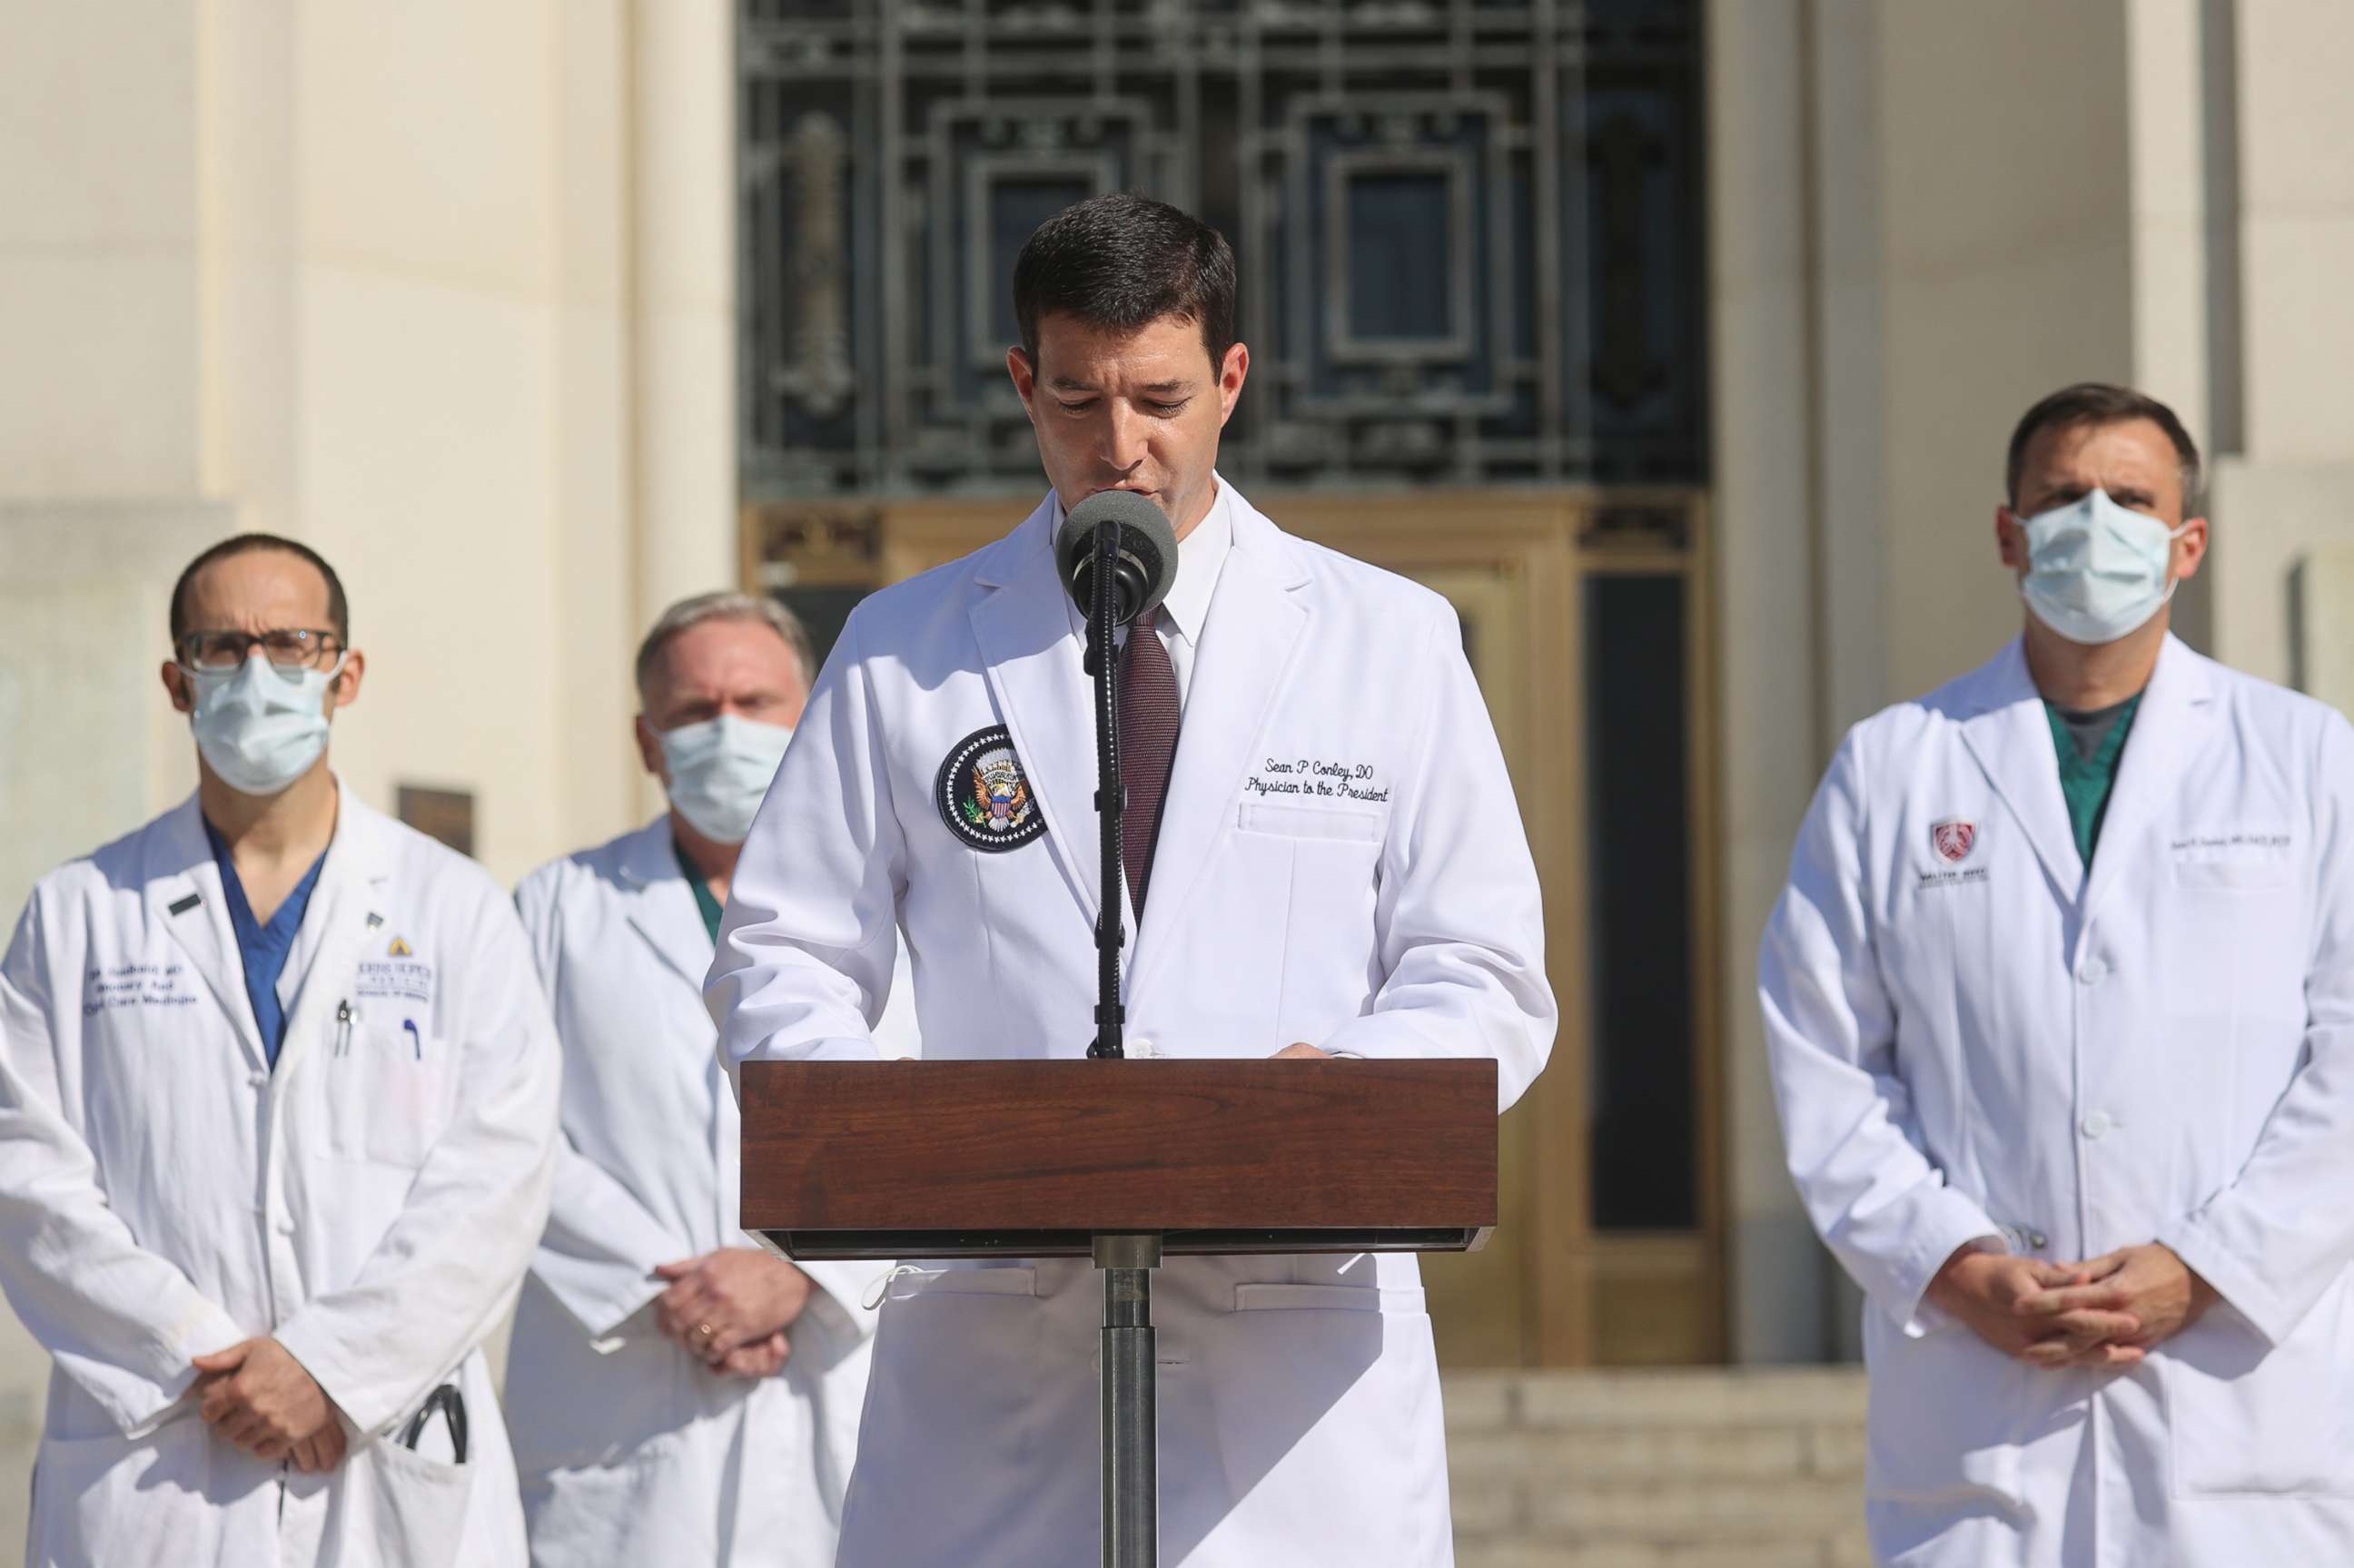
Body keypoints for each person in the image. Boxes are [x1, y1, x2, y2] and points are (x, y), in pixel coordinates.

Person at [704, 192, 1555, 1565]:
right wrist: (894, 1130)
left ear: (1230, 380)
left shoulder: (1385, 638)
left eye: (1159, 396)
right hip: (997, 1341)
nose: (1120, 446)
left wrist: (1340, 1079)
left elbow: (1484, 966)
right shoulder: (904, 644)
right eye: (1079, 399)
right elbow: (781, 952)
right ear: (1021, 383)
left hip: (1292, 1361)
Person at [1760, 382, 2354, 1565]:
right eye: (2063, 497)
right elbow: (1824, 1059)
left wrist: (2210, 1266)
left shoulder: (2305, 759)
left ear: (2188, 541)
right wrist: (1952, 1259)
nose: (2096, 524)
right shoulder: (1893, 769)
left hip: (2238, 1413)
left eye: (2130, 499)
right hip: (1984, 1425)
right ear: (2007, 533)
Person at [0, 533, 559, 1566]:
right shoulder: (78, 912)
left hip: (384, 1439)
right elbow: (25, 1176)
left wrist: (333, 1367)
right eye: (223, 646)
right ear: (178, 682)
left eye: (292, 643)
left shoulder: (453, 908)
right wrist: (198, 1358)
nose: (259, 674)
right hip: (162, 1445)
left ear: (344, 673)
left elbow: (499, 1170)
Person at [507, 591, 915, 1567]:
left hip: (843, 1379)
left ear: (812, 716)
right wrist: (674, 1286)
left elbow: (943, 1117)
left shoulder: (911, 907)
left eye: (755, 700)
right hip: (625, 1390)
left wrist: (798, 1270)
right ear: (648, 743)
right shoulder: (557, 907)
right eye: (694, 710)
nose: (726, 728)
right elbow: (502, 1127)